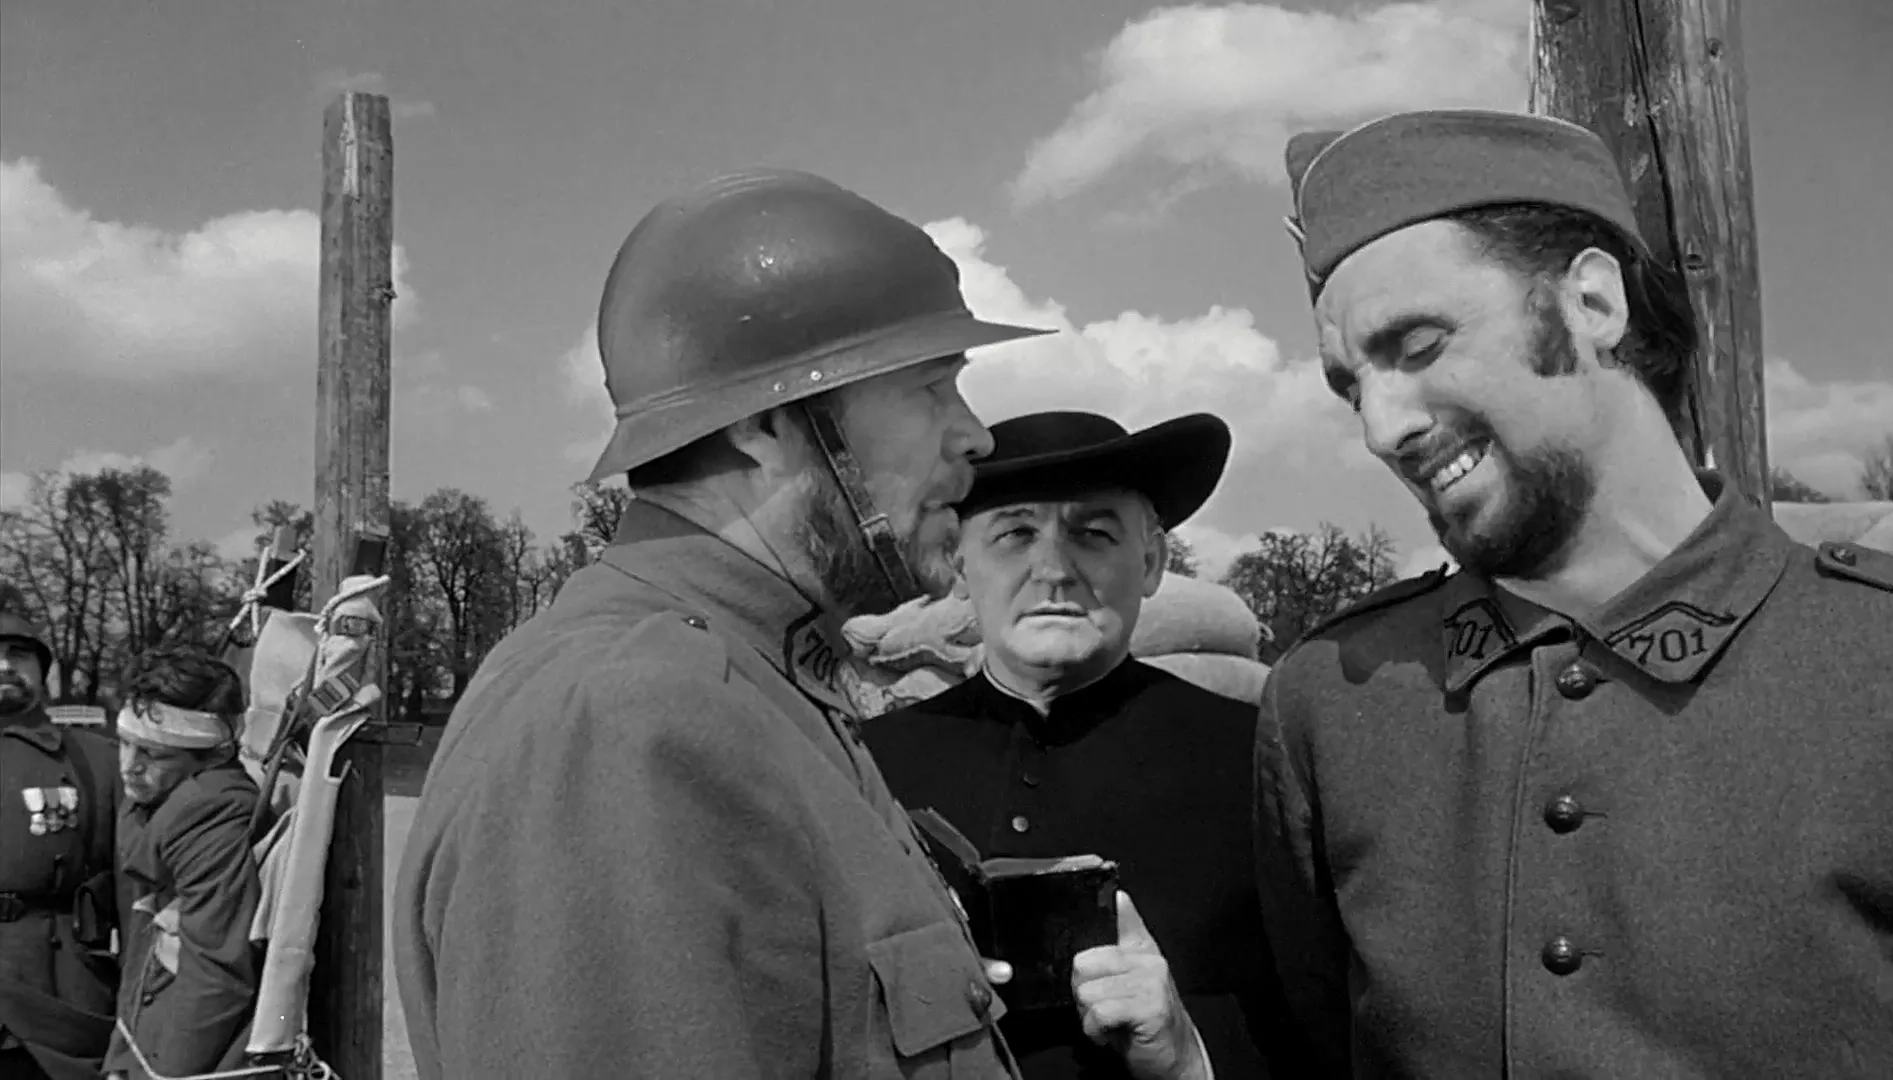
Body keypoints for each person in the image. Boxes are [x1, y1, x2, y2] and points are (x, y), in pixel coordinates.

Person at [1255, 107, 1893, 1078]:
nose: (1382, 428)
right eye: (1352, 385)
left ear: (1593, 304)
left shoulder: (1892, 663)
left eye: (1419, 345)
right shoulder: (1329, 702)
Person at [395, 169, 1061, 1078]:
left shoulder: (765, 681)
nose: (975, 435)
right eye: (931, 389)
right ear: (767, 424)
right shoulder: (631, 719)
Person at [864, 410, 1306, 1079]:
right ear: (959, 563)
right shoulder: (867, 766)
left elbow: (1334, 1025)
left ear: (1152, 561)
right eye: (1014, 534)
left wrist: (1191, 1054)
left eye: (1093, 534)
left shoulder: (1256, 762)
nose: (1054, 571)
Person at [103, 646, 268, 1080]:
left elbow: (217, 973)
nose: (128, 768)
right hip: (146, 1029)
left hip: (180, 1057)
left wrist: (163, 1074)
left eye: (154, 754)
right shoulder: (156, 801)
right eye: (124, 744)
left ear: (212, 756)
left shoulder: (214, 819)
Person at [0, 585, 119, 1080]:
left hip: (53, 987)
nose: (4, 667)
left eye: (18, 654)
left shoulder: (94, 758)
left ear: (42, 672)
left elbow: (138, 879)